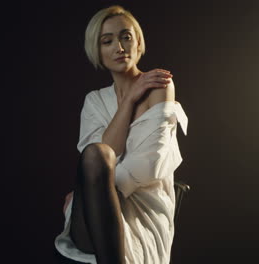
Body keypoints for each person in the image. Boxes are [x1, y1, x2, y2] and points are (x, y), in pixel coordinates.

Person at [54, 5, 188, 264]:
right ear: (98, 50)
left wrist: (92, 190)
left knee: (98, 157)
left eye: (126, 37)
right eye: (108, 41)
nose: (119, 46)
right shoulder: (94, 101)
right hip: (93, 214)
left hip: (143, 210)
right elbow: (96, 163)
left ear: (138, 42)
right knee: (97, 153)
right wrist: (128, 103)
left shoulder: (159, 85)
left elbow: (150, 164)